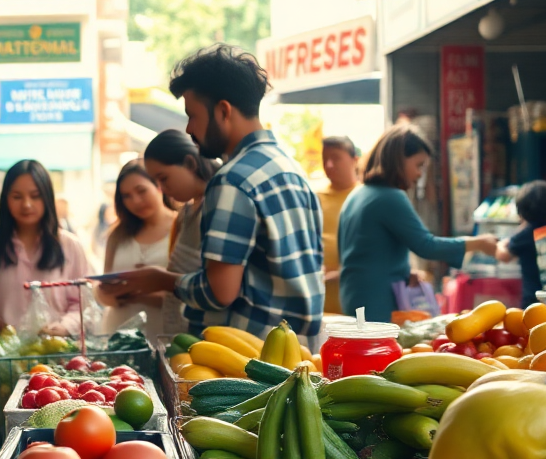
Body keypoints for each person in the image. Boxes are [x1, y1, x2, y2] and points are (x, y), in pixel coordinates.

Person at [102, 45, 326, 344]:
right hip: (297, 354)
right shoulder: (291, 169)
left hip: (246, 364)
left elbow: (219, 292)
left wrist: (162, 280)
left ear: (223, 111)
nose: (189, 129)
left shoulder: (232, 181)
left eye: (192, 115)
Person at [338, 125, 498, 324]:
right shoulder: (391, 197)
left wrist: (402, 273)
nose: (421, 174)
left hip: (354, 296)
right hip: (377, 302)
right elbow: (426, 245)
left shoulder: (357, 194)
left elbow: (361, 253)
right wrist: (479, 243)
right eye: (419, 165)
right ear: (398, 160)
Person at [0, 160, 92, 336]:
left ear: (47, 197)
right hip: (2, 357)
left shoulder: (70, 246)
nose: (27, 204)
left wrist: (66, 326)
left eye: (35, 195)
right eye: (17, 196)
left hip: (57, 356)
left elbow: (84, 303)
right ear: (5, 199)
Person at [143, 130, 219, 333]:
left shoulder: (216, 207)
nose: (162, 188)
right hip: (183, 330)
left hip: (210, 332)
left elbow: (217, 287)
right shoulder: (185, 214)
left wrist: (159, 278)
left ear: (190, 163)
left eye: (164, 178)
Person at [98, 160, 176, 334]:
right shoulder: (117, 234)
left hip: (165, 333)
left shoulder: (181, 227)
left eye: (141, 191)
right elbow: (102, 290)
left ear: (158, 186)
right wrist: (109, 294)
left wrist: (142, 294)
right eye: (126, 196)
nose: (136, 201)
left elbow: (188, 293)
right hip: (118, 333)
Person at [495, 180, 546, 309]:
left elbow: (503, 256)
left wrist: (501, 244)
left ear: (521, 210)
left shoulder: (526, 234)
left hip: (534, 300)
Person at [318, 137, 361, 315]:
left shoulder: (365, 198)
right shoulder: (316, 198)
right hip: (321, 300)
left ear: (354, 160)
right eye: (325, 159)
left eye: (335, 158)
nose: (328, 165)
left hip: (354, 299)